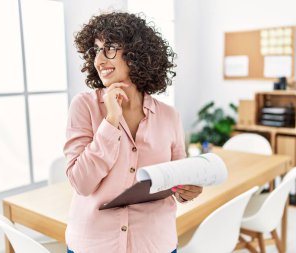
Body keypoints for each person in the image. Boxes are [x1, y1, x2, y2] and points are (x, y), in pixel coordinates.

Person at [63, 12, 203, 253]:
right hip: (95, 245)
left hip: (154, 244)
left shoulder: (170, 116)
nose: (99, 59)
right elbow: (81, 183)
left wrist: (187, 191)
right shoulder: (84, 106)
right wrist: (111, 121)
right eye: (95, 50)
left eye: (110, 48)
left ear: (137, 52)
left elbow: (177, 180)